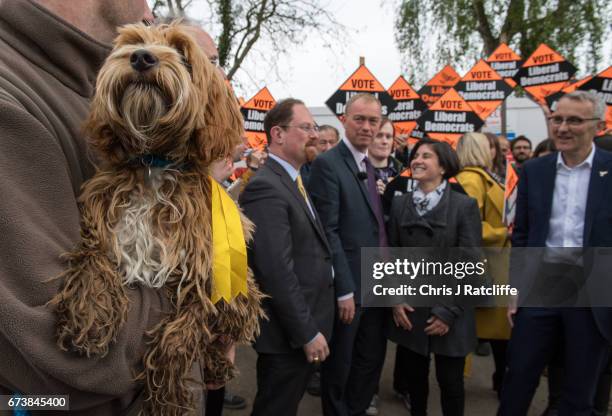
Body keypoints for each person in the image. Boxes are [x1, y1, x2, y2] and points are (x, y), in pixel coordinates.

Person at [0, 1, 194, 415]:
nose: (147, 7)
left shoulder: (83, 81)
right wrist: (200, 298)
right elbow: (63, 362)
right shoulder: (12, 92)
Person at [500, 90, 612, 415]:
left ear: (598, 125)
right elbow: (521, 235)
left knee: (579, 391)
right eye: (557, 119)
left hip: (591, 293)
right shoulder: (535, 171)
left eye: (574, 120)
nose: (562, 128)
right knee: (518, 377)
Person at [239, 98, 335, 416]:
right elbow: (276, 271)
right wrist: (306, 332)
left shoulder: (294, 180)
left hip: (301, 327)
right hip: (288, 337)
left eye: (315, 127)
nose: (315, 135)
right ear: (278, 134)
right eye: (306, 127)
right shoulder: (266, 187)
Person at [387, 138, 481, 416]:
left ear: (443, 167)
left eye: (426, 156)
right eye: (415, 155)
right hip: (412, 310)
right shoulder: (400, 204)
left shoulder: (464, 205)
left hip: (452, 309)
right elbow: (391, 255)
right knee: (415, 382)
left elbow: (472, 263)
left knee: (450, 382)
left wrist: (448, 312)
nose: (417, 160)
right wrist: (395, 299)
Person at [308, 93, 388, 416]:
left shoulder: (368, 165)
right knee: (340, 367)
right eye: (360, 119)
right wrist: (344, 289)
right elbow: (329, 232)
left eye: (373, 121)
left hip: (375, 285)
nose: (367, 127)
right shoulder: (329, 164)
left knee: (370, 362)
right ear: (344, 120)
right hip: (349, 290)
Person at [455, 132, 511, 399]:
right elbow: (469, 226)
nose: (494, 150)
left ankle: (502, 381)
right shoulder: (471, 179)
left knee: (499, 331)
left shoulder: (481, 177)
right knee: (490, 330)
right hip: (485, 264)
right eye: (489, 146)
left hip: (493, 263)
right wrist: (503, 233)